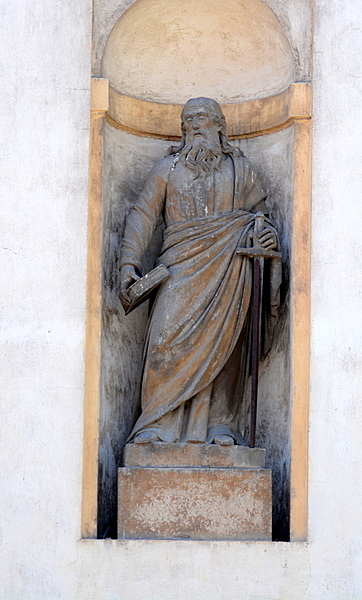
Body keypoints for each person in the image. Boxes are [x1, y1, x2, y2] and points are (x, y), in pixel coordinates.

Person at [119, 97, 279, 446]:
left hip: (229, 270)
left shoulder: (241, 171)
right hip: (178, 269)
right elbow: (143, 215)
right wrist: (128, 262)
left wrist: (265, 234)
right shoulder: (167, 169)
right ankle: (156, 422)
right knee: (164, 343)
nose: (193, 124)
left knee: (225, 349)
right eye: (187, 119)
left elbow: (261, 218)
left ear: (219, 126)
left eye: (201, 117)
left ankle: (220, 425)